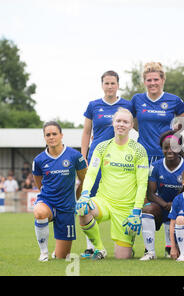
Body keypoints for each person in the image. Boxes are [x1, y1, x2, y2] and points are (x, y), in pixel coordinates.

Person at [76, 108, 149, 260]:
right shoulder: (102, 147)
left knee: (123, 258)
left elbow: (142, 184)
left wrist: (136, 211)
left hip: (126, 208)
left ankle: (129, 244)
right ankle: (99, 249)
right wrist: (85, 194)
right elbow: (91, 173)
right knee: (83, 210)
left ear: (131, 126)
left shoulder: (139, 150)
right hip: (104, 201)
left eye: (125, 122)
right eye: (118, 121)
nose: (121, 124)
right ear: (113, 123)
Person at [80, 70, 133, 256]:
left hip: (119, 160)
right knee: (90, 200)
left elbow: (137, 127)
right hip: (97, 157)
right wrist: (84, 155)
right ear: (102, 85)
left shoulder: (127, 104)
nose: (110, 86)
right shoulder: (93, 105)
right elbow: (87, 132)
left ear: (118, 85)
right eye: (106, 83)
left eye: (113, 83)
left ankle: (127, 240)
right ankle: (92, 246)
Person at [32, 121, 87, 261]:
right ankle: (43, 253)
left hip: (67, 207)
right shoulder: (39, 160)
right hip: (47, 202)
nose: (51, 137)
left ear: (61, 135)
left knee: (62, 257)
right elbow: (40, 184)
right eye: (48, 134)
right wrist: (47, 197)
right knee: (39, 212)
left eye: (54, 134)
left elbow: (84, 180)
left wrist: (77, 199)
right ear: (44, 137)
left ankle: (56, 253)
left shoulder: (74, 156)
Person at [139, 130, 184, 260]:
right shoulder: (155, 166)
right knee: (148, 209)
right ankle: (150, 252)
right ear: (162, 149)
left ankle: (174, 246)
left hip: (182, 210)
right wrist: (165, 204)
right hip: (162, 207)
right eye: (166, 148)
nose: (170, 151)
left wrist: (175, 205)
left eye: (173, 147)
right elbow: (150, 193)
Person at [130, 62, 184, 165]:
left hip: (167, 154)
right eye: (149, 80)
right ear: (144, 82)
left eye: (156, 79)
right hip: (142, 154)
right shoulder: (137, 99)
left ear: (163, 80)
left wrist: (177, 128)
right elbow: (131, 123)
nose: (153, 83)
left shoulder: (174, 100)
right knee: (143, 181)